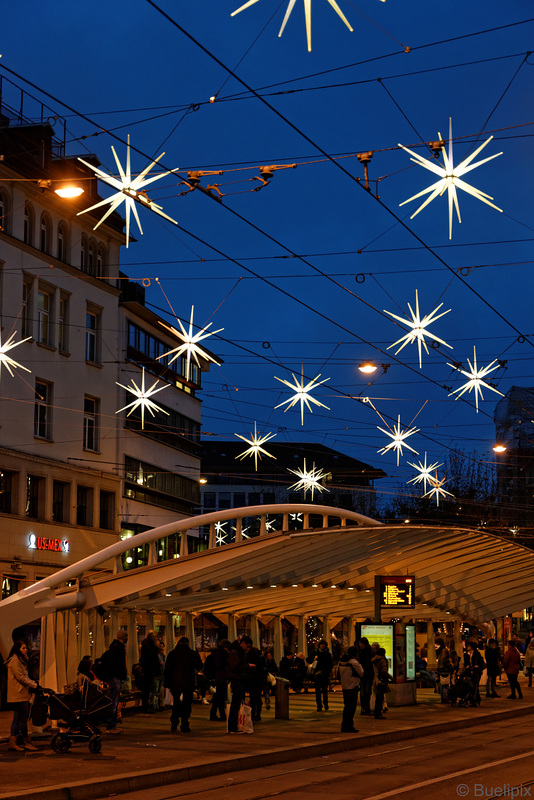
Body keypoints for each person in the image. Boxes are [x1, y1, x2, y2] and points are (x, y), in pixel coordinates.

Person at [164, 636, 202, 732]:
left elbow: (167, 670)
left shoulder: (172, 654)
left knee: (176, 702)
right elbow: (199, 666)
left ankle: (174, 721)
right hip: (188, 682)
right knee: (187, 703)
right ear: (188, 644)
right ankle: (185, 723)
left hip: (174, 683)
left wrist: (167, 683)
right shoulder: (192, 654)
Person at [6, 640, 38, 752]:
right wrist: (34, 685)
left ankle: (13, 741)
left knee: (18, 718)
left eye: (26, 648)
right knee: (22, 719)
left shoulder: (20, 660)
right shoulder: (15, 661)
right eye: (23, 648)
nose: (26, 650)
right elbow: (20, 677)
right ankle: (25, 742)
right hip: (19, 694)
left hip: (20, 693)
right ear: (18, 649)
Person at [99, 629, 128, 734]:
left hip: (111, 677)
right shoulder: (119, 649)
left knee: (113, 700)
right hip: (116, 677)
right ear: (125, 638)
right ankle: (111, 725)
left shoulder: (112, 648)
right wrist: (122, 674)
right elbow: (119, 665)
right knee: (114, 701)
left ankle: (111, 724)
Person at [226, 639, 251, 734]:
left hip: (239, 680)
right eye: (247, 645)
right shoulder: (234, 652)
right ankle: (232, 727)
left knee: (237, 703)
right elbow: (234, 666)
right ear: (242, 643)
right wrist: (247, 666)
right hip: (237, 680)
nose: (247, 648)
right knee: (235, 704)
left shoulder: (237, 652)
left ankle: (234, 726)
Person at [240, 636, 266, 722]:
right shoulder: (242, 653)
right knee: (251, 698)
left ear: (248, 644)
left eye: (242, 643)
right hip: (247, 679)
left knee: (256, 698)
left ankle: (257, 714)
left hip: (256, 680)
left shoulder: (256, 654)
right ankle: (251, 713)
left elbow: (262, 667)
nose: (241, 645)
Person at [338, 646, 363, 732]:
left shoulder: (341, 661)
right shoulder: (353, 662)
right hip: (353, 685)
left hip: (345, 686)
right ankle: (348, 725)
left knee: (347, 706)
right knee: (352, 707)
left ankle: (344, 724)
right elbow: (362, 673)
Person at [205, 639, 230, 721]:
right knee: (221, 697)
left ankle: (215, 714)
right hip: (220, 677)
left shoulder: (217, 653)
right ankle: (220, 714)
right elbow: (219, 664)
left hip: (219, 677)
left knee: (218, 697)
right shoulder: (220, 654)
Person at [308, 639, 333, 712]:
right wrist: (314, 659)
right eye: (321, 644)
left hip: (324, 674)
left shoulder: (328, 654)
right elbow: (308, 660)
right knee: (318, 691)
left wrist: (327, 671)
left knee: (325, 691)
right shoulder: (315, 653)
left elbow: (330, 664)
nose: (322, 646)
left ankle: (326, 704)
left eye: (323, 644)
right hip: (317, 674)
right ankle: (319, 705)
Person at [140, 631, 161, 712]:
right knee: (147, 689)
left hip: (148, 669)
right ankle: (145, 706)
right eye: (155, 637)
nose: (156, 639)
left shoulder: (146, 645)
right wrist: (156, 647)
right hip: (149, 670)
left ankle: (146, 706)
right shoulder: (148, 646)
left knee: (147, 689)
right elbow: (152, 656)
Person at [371, 647, 390, 720]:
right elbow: (384, 671)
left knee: (377, 697)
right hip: (381, 681)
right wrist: (390, 677)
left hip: (376, 680)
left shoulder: (374, 660)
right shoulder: (382, 660)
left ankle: (377, 713)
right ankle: (378, 713)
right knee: (380, 697)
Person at [357, 637, 374, 715]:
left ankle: (365, 708)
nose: (359, 645)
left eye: (360, 643)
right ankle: (365, 708)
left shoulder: (365, 652)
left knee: (365, 692)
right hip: (367, 674)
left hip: (365, 674)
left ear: (363, 643)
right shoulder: (369, 651)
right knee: (366, 692)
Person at [436, 638, 452, 703]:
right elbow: (446, 661)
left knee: (442, 685)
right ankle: (445, 698)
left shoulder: (439, 652)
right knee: (446, 685)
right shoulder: (444, 651)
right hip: (445, 670)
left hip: (441, 670)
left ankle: (443, 698)